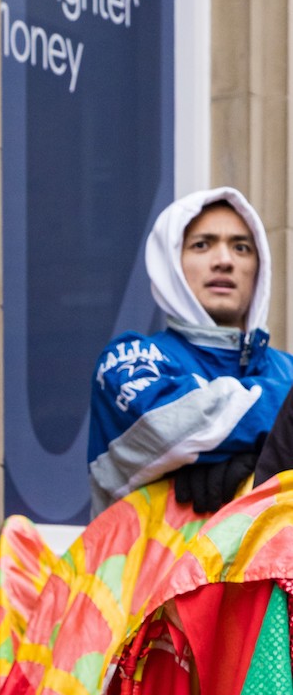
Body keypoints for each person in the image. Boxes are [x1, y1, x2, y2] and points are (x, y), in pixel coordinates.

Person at [88, 186, 293, 518]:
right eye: (202, 244)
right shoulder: (130, 359)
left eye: (241, 247)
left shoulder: (286, 369)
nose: (224, 261)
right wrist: (281, 434)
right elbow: (176, 423)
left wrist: (259, 462)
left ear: (260, 268)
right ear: (171, 263)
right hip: (147, 568)